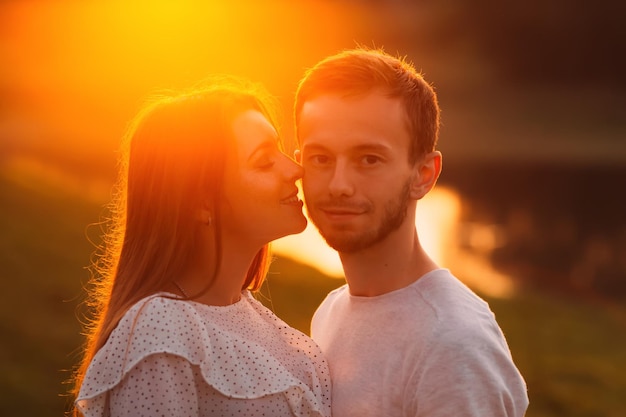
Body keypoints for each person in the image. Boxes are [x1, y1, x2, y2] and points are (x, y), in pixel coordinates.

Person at [70, 76, 331, 417]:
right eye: (265, 160)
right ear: (200, 203)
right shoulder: (161, 330)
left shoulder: (269, 329)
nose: (295, 169)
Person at [293, 48, 529, 416]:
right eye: (320, 158)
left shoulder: (452, 343)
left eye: (368, 159)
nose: (338, 184)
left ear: (424, 175)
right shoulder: (332, 311)